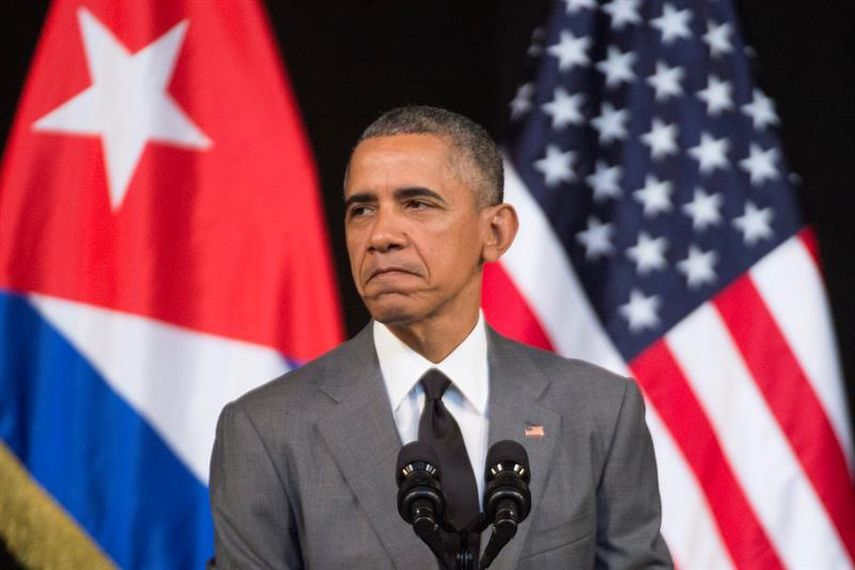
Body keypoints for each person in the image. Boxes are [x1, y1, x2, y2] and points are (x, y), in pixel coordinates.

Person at [209, 106, 672, 569]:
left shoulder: (598, 411)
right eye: (362, 209)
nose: (381, 234)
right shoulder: (264, 430)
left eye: (417, 203)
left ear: (495, 232)